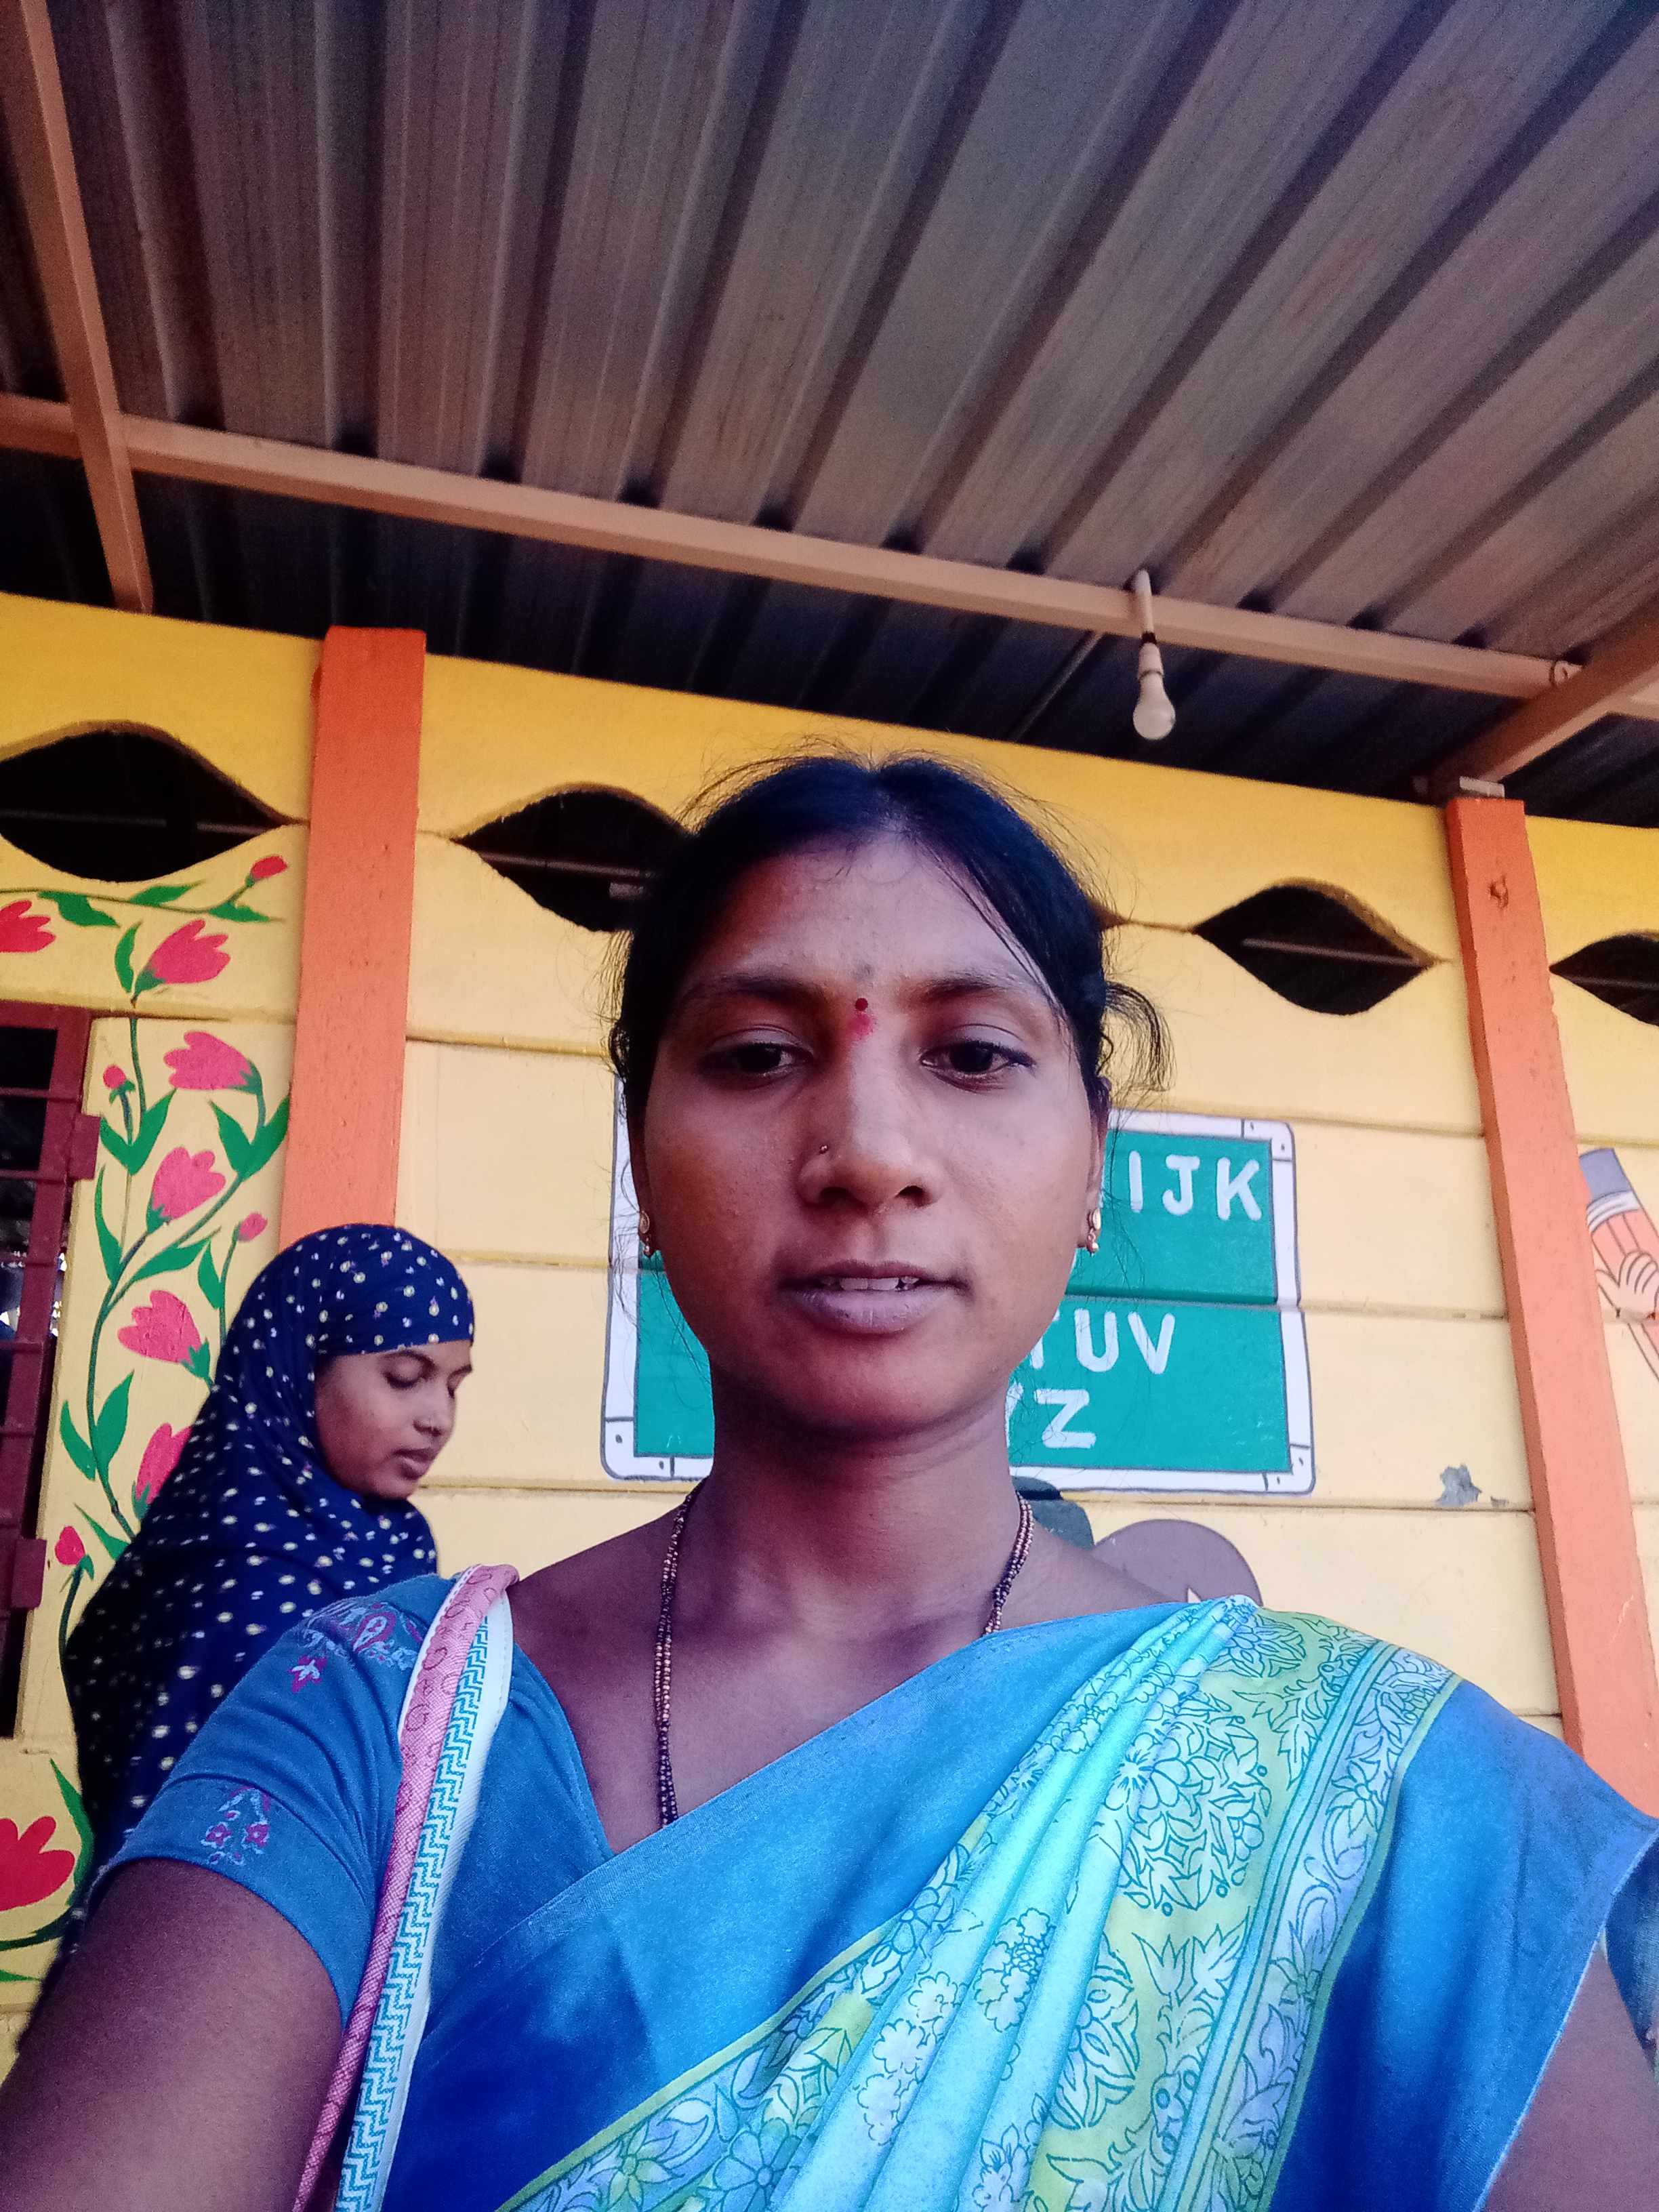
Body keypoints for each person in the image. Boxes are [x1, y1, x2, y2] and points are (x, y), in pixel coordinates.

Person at [1, 757, 1656, 2212]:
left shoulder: (1388, 1802)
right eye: (754, 1054)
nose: (867, 1151)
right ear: (641, 1162)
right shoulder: (371, 1730)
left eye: (974, 1055)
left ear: (1095, 1160)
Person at [60, 1223, 474, 1903]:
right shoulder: (235, 1585)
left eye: (453, 1387)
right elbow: (194, 1855)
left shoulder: (390, 1545)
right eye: (405, 1378)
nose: (439, 1418)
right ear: (300, 1370)